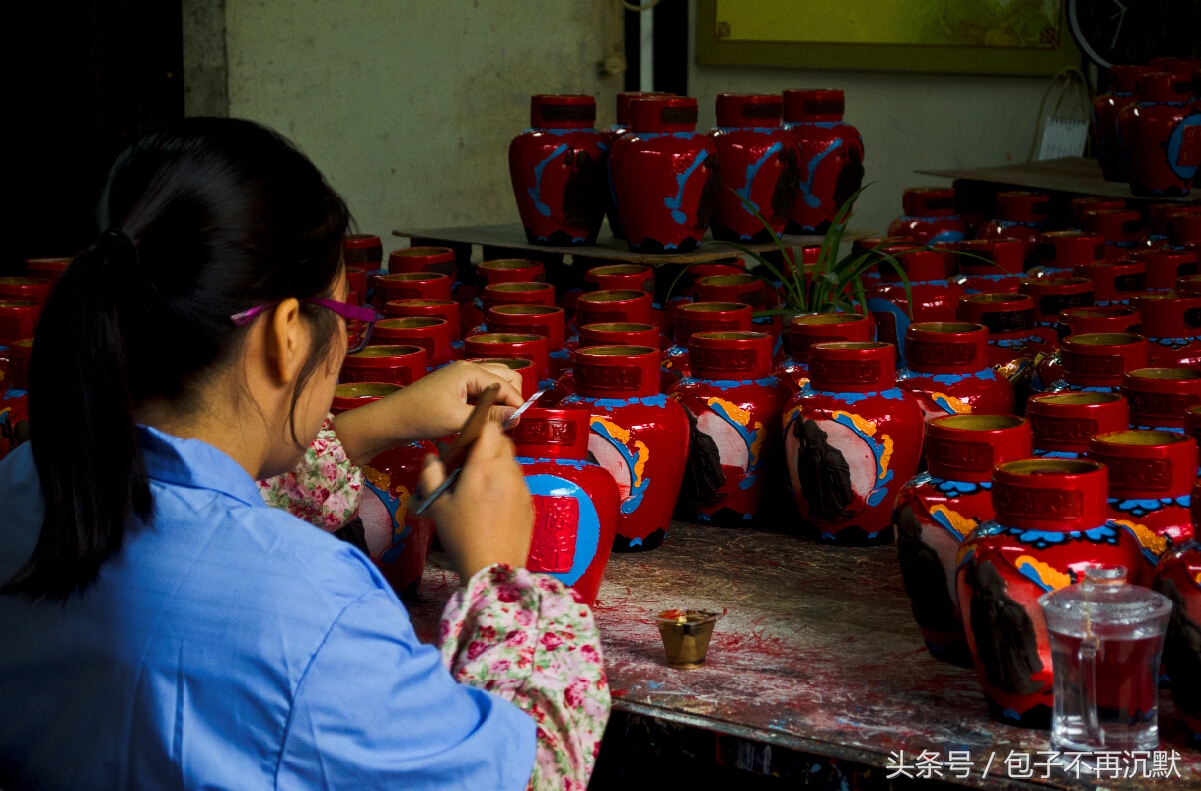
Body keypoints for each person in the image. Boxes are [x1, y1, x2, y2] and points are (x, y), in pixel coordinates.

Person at [0, 118, 608, 790]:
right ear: (287, 333)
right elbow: (534, 774)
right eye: (347, 318)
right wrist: (501, 579)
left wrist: (391, 417)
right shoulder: (314, 609)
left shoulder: (20, 488)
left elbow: (210, 498)